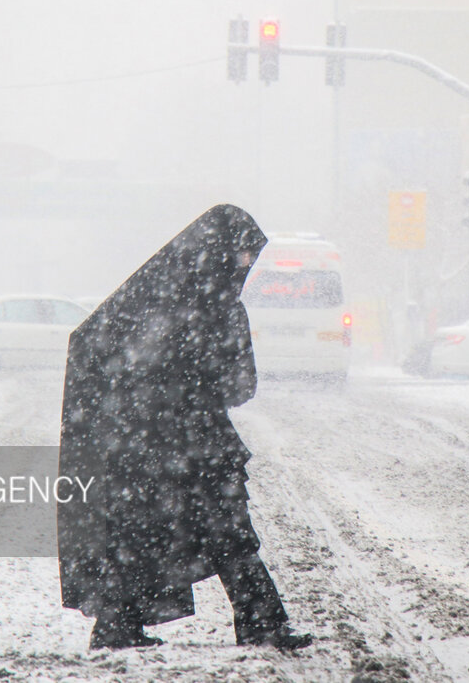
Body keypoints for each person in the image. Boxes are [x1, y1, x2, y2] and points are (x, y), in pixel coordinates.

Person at [58, 204, 313, 651]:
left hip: (143, 447)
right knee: (229, 533)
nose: (245, 266)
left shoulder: (148, 299)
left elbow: (100, 351)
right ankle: (261, 624)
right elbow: (240, 386)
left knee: (142, 534)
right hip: (202, 444)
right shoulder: (223, 311)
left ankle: (117, 625)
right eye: (242, 256)